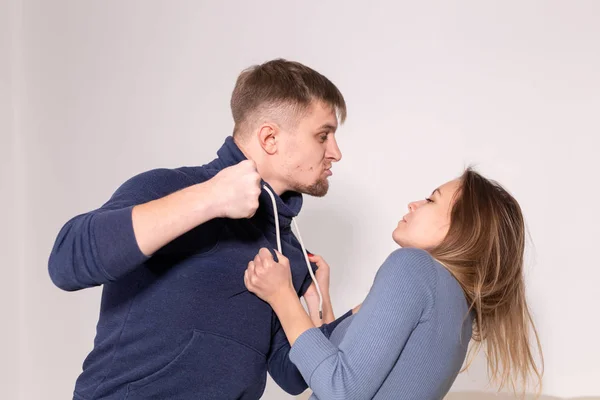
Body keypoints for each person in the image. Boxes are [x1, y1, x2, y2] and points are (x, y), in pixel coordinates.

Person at [48, 59, 347, 399]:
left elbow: (292, 375)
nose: (335, 153)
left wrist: (327, 305)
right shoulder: (172, 187)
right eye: (323, 135)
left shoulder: (287, 248)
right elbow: (66, 262)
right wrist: (211, 198)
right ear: (270, 138)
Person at [245, 168, 544, 400]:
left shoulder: (414, 267)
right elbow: (305, 372)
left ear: (462, 229)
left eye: (431, 199)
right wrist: (319, 297)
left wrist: (282, 294)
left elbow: (340, 390)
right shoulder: (459, 311)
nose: (414, 203)